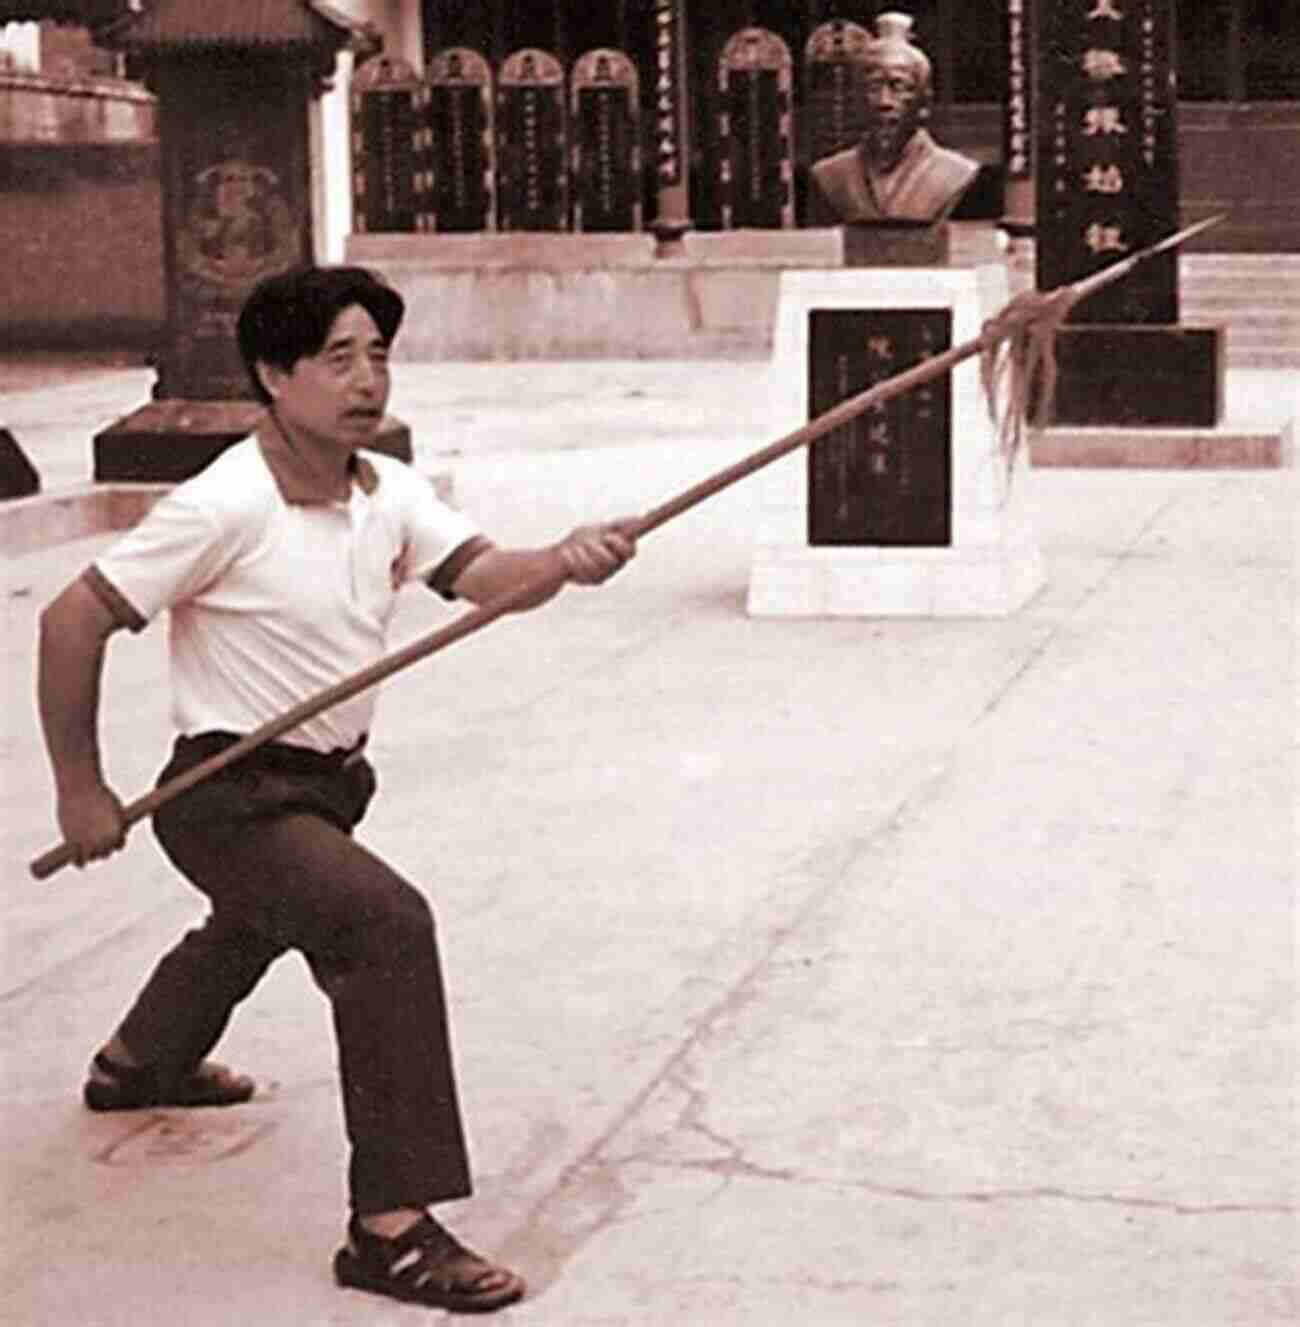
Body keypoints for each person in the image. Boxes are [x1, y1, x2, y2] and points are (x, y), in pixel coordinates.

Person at [37, 264, 639, 1314]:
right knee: (382, 924)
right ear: (274, 374)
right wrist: (80, 790)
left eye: (380, 355)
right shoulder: (225, 502)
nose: (367, 380)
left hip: (322, 786)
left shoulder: (384, 488)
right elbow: (70, 620)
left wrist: (567, 558)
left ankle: (140, 1062)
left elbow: (488, 580)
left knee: (259, 917)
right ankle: (391, 1229)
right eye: (338, 357)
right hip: (226, 793)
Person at [808, 11, 978, 226]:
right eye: (872, 87)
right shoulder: (831, 175)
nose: (884, 102)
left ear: (924, 102)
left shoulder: (955, 173)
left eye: (898, 87)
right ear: (857, 99)